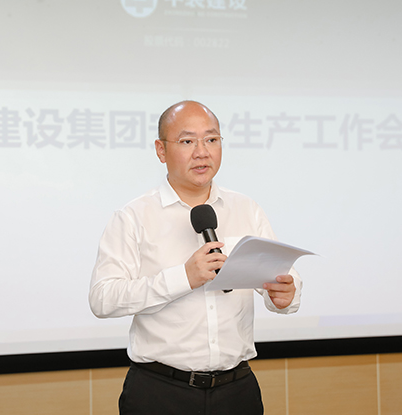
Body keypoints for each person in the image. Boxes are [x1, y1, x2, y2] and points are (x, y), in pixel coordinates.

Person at [89, 100, 302, 415]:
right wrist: (183, 278)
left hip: (237, 391)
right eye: (187, 141)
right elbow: (103, 299)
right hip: (160, 392)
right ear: (161, 150)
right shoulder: (134, 216)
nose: (202, 152)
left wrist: (286, 295)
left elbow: (280, 276)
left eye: (211, 139)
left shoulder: (246, 209)